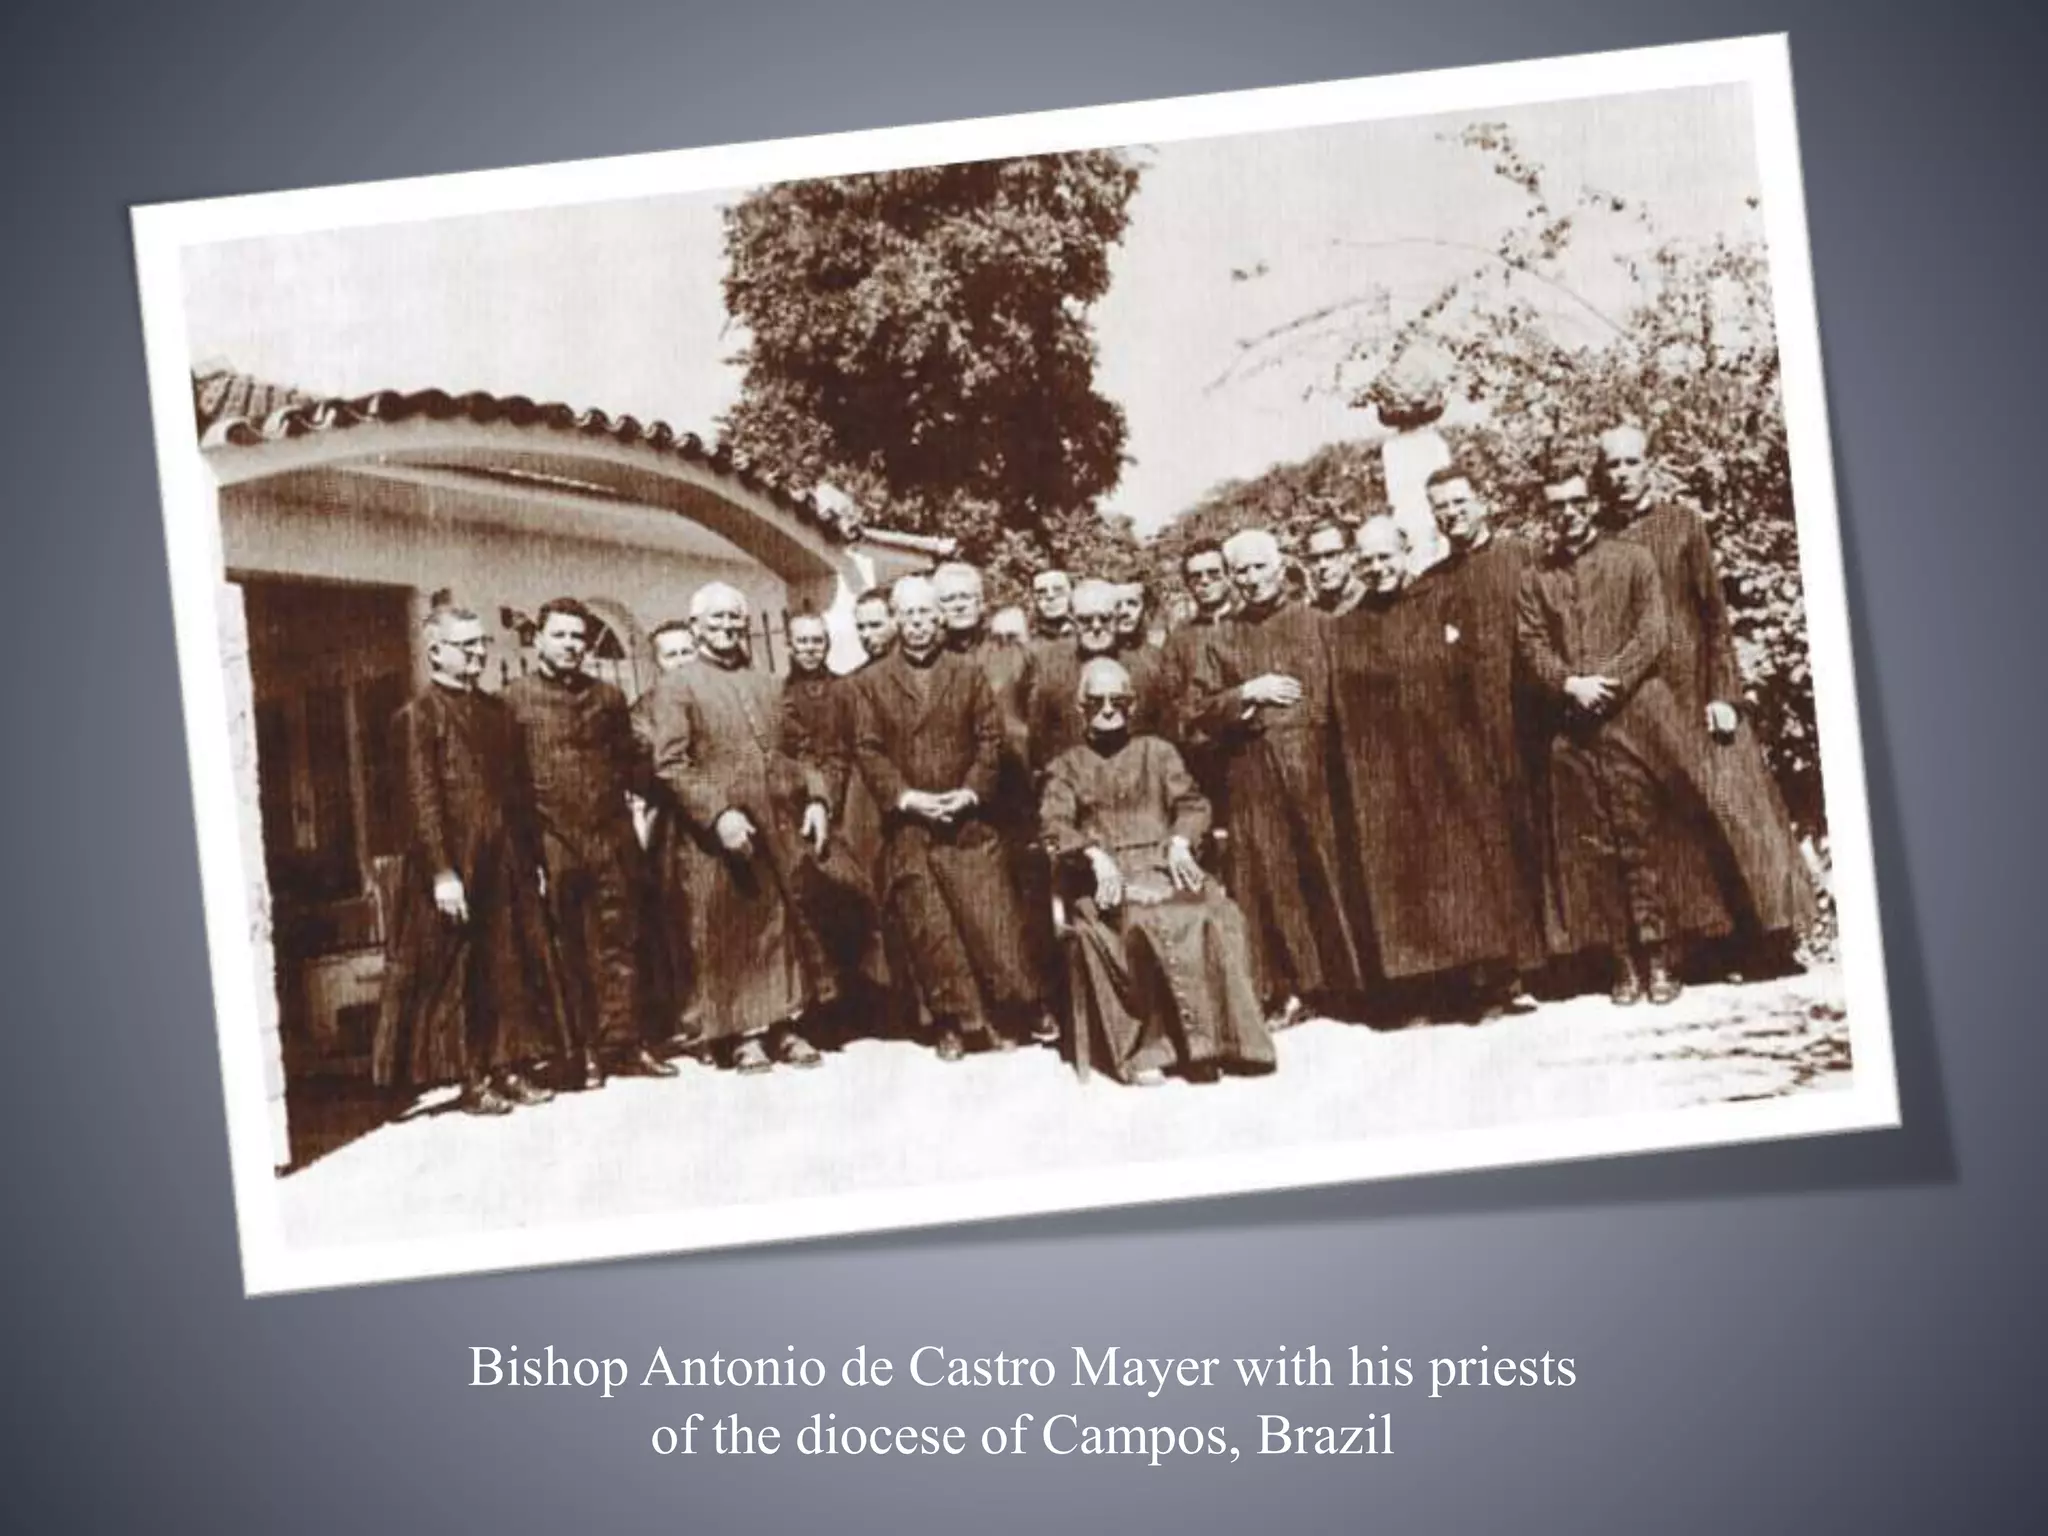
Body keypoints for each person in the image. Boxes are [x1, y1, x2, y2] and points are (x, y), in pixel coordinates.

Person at [1515, 461, 1738, 1005]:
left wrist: (1606, 683)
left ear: (1591, 504)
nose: (1566, 515)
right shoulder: (1535, 578)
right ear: (1545, 514)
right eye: (1555, 507)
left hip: (1635, 720)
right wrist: (1569, 684)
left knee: (1644, 835)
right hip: (1573, 729)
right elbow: (1531, 644)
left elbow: (1653, 630)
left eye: (1575, 503)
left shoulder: (1633, 560)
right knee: (1593, 846)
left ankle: (1661, 958)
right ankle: (1621, 964)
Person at [1597, 422, 1816, 970]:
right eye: (1612, 466)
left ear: (1649, 463)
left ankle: (1771, 942)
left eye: (1630, 463)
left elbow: (1714, 617)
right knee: (1674, 822)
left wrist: (1724, 693)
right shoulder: (1600, 537)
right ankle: (1711, 947)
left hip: (1697, 689)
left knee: (1735, 811)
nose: (1622, 475)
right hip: (1646, 700)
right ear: (1600, 473)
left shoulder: (1681, 526)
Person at [372, 605, 572, 1115]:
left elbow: (520, 794)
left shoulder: (498, 713)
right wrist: (442, 872)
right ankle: (472, 1076)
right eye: (467, 646)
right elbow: (421, 801)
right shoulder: (417, 717)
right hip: (455, 867)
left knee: (508, 967)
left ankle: (510, 1065)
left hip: (505, 863)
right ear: (436, 650)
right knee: (461, 976)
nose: (479, 653)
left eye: (482, 643)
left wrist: (533, 862)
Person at [1330, 517, 1531, 1022]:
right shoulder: (1348, 627)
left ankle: (1486, 986)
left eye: (1385, 558)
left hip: (1449, 761)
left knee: (1462, 871)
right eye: (1367, 561)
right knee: (1405, 878)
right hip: (1386, 773)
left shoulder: (1441, 602)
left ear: (1405, 553)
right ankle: (1424, 989)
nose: (1377, 569)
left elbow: (1473, 680)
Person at [1040, 658, 1276, 1085]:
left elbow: (1192, 803)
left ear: (1132, 705)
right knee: (1142, 924)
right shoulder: (1066, 766)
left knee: (1216, 913)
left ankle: (1222, 1043)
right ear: (1081, 708)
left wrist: (1183, 842)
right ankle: (1153, 1052)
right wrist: (1094, 856)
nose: (1108, 709)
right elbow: (1054, 824)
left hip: (1164, 862)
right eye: (1096, 701)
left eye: (1118, 700)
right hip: (1104, 879)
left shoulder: (1159, 752)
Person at [638, 584, 834, 1073]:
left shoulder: (767, 683)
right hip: (714, 834)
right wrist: (719, 814)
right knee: (726, 928)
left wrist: (815, 797)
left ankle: (786, 1025)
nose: (727, 628)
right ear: (697, 625)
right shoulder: (678, 685)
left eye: (734, 619)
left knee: (778, 927)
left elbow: (799, 748)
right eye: (717, 619)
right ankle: (740, 1035)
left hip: (777, 824)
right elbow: (671, 763)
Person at [851, 575, 1042, 1059]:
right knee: (929, 927)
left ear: (940, 618)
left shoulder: (967, 672)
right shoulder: (871, 682)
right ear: (896, 620)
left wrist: (970, 793)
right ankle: (951, 1022)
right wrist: (906, 797)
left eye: (926, 614)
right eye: (908, 615)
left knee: (987, 920)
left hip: (966, 820)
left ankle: (999, 1016)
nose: (917, 624)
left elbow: (990, 740)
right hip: (911, 823)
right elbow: (868, 749)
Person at [1187, 529, 1364, 1026]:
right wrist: (1247, 691)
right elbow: (1197, 711)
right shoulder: (1220, 637)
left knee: (1327, 870)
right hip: (1253, 774)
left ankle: (1348, 985)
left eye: (1257, 568)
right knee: (1271, 881)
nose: (1249, 579)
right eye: (1239, 571)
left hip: (1315, 768)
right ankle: (1291, 989)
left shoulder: (1318, 623)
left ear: (1279, 566)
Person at [503, 599, 673, 1085]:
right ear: (538, 639)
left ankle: (627, 1043)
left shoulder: (609, 697)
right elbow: (510, 784)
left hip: (610, 835)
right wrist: (529, 852)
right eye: (561, 636)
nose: (572, 646)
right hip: (553, 838)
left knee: (621, 940)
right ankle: (583, 1051)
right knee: (568, 947)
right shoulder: (514, 700)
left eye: (579, 637)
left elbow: (629, 764)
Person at [1419, 465, 1548, 998]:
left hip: (1533, 722)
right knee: (1495, 848)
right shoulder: (1431, 582)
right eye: (1441, 508)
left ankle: (1568, 958)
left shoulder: (1523, 557)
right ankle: (1517, 965)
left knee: (1547, 837)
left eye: (1458, 502)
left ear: (1483, 501)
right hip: (1471, 737)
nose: (1452, 515)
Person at [780, 612, 888, 1020]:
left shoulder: (847, 689)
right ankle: (826, 1001)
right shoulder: (780, 694)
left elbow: (860, 743)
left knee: (860, 893)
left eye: (817, 641)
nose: (810, 649)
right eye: (802, 642)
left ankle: (869, 993)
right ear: (789, 646)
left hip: (852, 801)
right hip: (803, 805)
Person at [1023, 578, 1174, 770]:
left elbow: (1163, 732)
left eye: (1104, 618)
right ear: (1072, 620)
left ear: (1117, 617)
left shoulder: (1146, 667)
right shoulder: (1050, 669)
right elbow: (1039, 738)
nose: (1096, 627)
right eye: (1085, 620)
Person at [1159, 540, 1237, 811]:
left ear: (1228, 576)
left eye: (1213, 574)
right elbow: (1174, 700)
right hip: (1202, 757)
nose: (1205, 582)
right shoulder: (1180, 638)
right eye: (1196, 577)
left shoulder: (1246, 625)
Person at [1304, 517, 1369, 616]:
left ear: (1352, 556)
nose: (1322, 565)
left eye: (1330, 555)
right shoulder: (1312, 610)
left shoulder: (1375, 604)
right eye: (1314, 558)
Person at [1029, 568, 1075, 642]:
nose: (1050, 596)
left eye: (1058, 589)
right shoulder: (1030, 640)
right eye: (1042, 591)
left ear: (1071, 591)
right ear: (1033, 597)